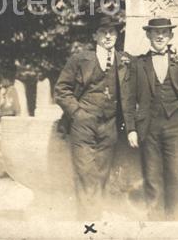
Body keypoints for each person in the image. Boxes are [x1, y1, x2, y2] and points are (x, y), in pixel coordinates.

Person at [54, 14, 133, 219]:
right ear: (95, 36)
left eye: (112, 32)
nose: (108, 36)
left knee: (102, 173)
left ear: (117, 35)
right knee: (85, 173)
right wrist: (77, 113)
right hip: (83, 125)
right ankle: (88, 224)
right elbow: (62, 90)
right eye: (103, 32)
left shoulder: (124, 61)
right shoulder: (80, 59)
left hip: (110, 125)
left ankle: (94, 220)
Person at [124, 17, 178, 221]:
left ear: (171, 36)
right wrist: (131, 128)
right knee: (151, 177)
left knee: (176, 175)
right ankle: (155, 226)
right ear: (148, 35)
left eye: (164, 33)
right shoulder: (137, 63)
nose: (160, 36)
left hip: (176, 125)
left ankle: (175, 224)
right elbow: (129, 98)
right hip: (148, 127)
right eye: (155, 33)